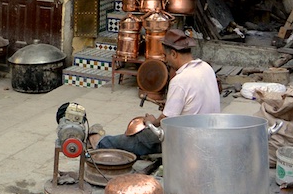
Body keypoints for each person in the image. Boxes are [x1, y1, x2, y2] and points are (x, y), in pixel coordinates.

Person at [95, 28, 221, 156]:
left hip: (187, 141)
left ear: (174, 54)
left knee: (138, 138)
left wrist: (152, 121)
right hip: (209, 134)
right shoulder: (206, 68)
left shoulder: (180, 80)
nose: (166, 60)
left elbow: (167, 121)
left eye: (166, 56)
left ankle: (99, 143)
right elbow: (194, 101)